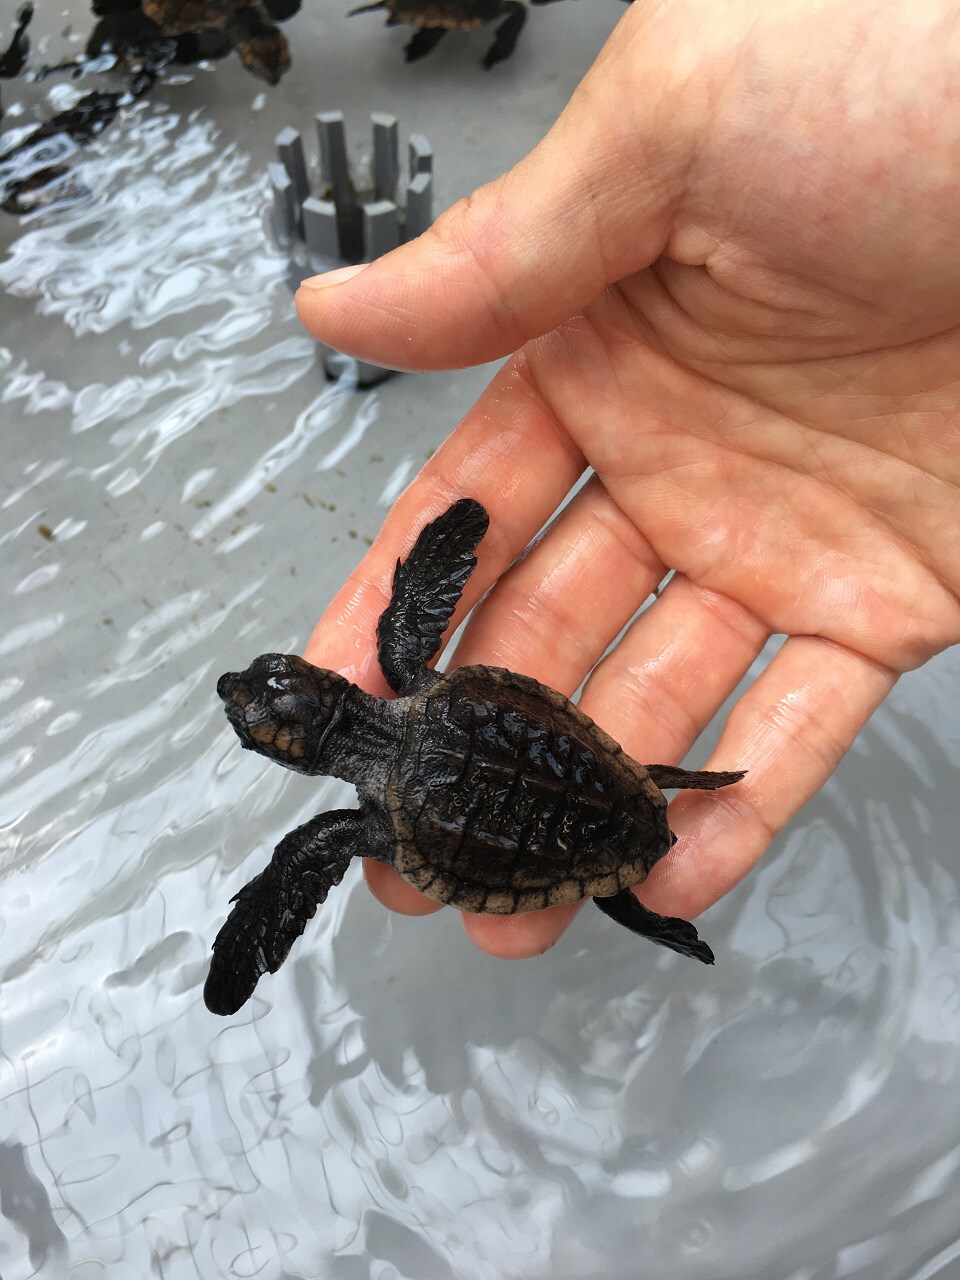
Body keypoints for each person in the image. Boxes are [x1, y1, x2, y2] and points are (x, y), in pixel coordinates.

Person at [293, 0, 960, 959]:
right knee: (438, 639)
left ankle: (645, 903)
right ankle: (652, 881)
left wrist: (454, 532)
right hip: (553, 771)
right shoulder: (404, 677)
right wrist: (451, 537)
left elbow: (312, 847)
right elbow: (427, 589)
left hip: (501, 815)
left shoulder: (356, 818)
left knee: (550, 854)